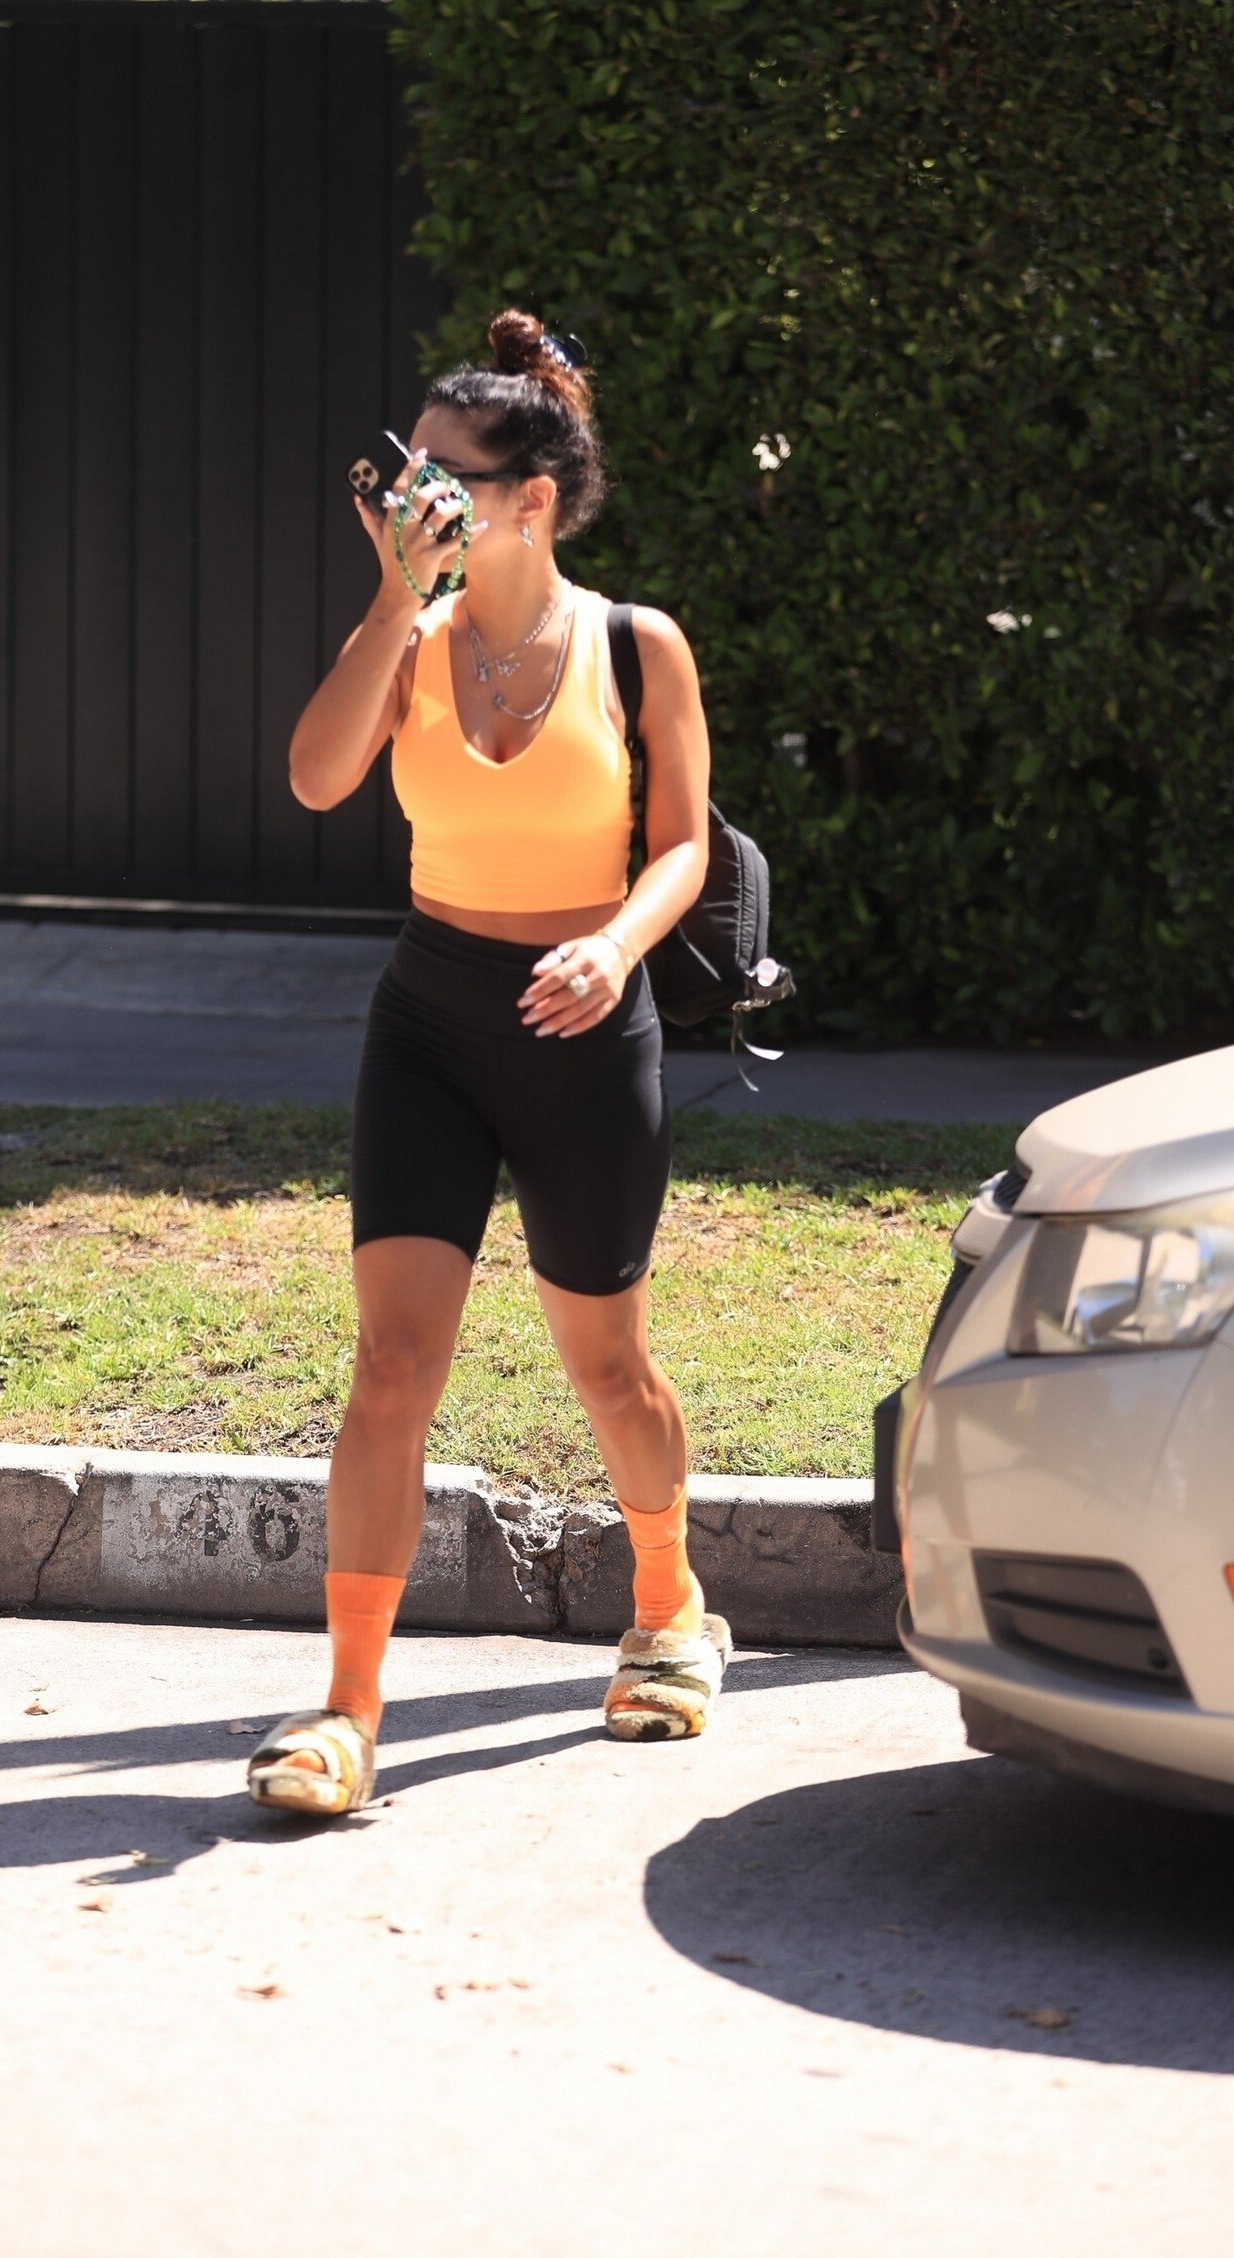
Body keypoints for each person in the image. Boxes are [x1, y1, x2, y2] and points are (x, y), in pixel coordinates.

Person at [247, 309, 726, 1817]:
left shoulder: (638, 646)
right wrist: (397, 598)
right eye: (410, 469)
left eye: (445, 477)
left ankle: (670, 1604)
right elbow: (315, 778)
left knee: (608, 1367)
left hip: (586, 1022)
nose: (416, 493)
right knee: (391, 1366)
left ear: (531, 500)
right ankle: (347, 1711)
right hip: (433, 1020)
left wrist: (618, 950)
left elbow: (685, 847)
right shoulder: (413, 637)